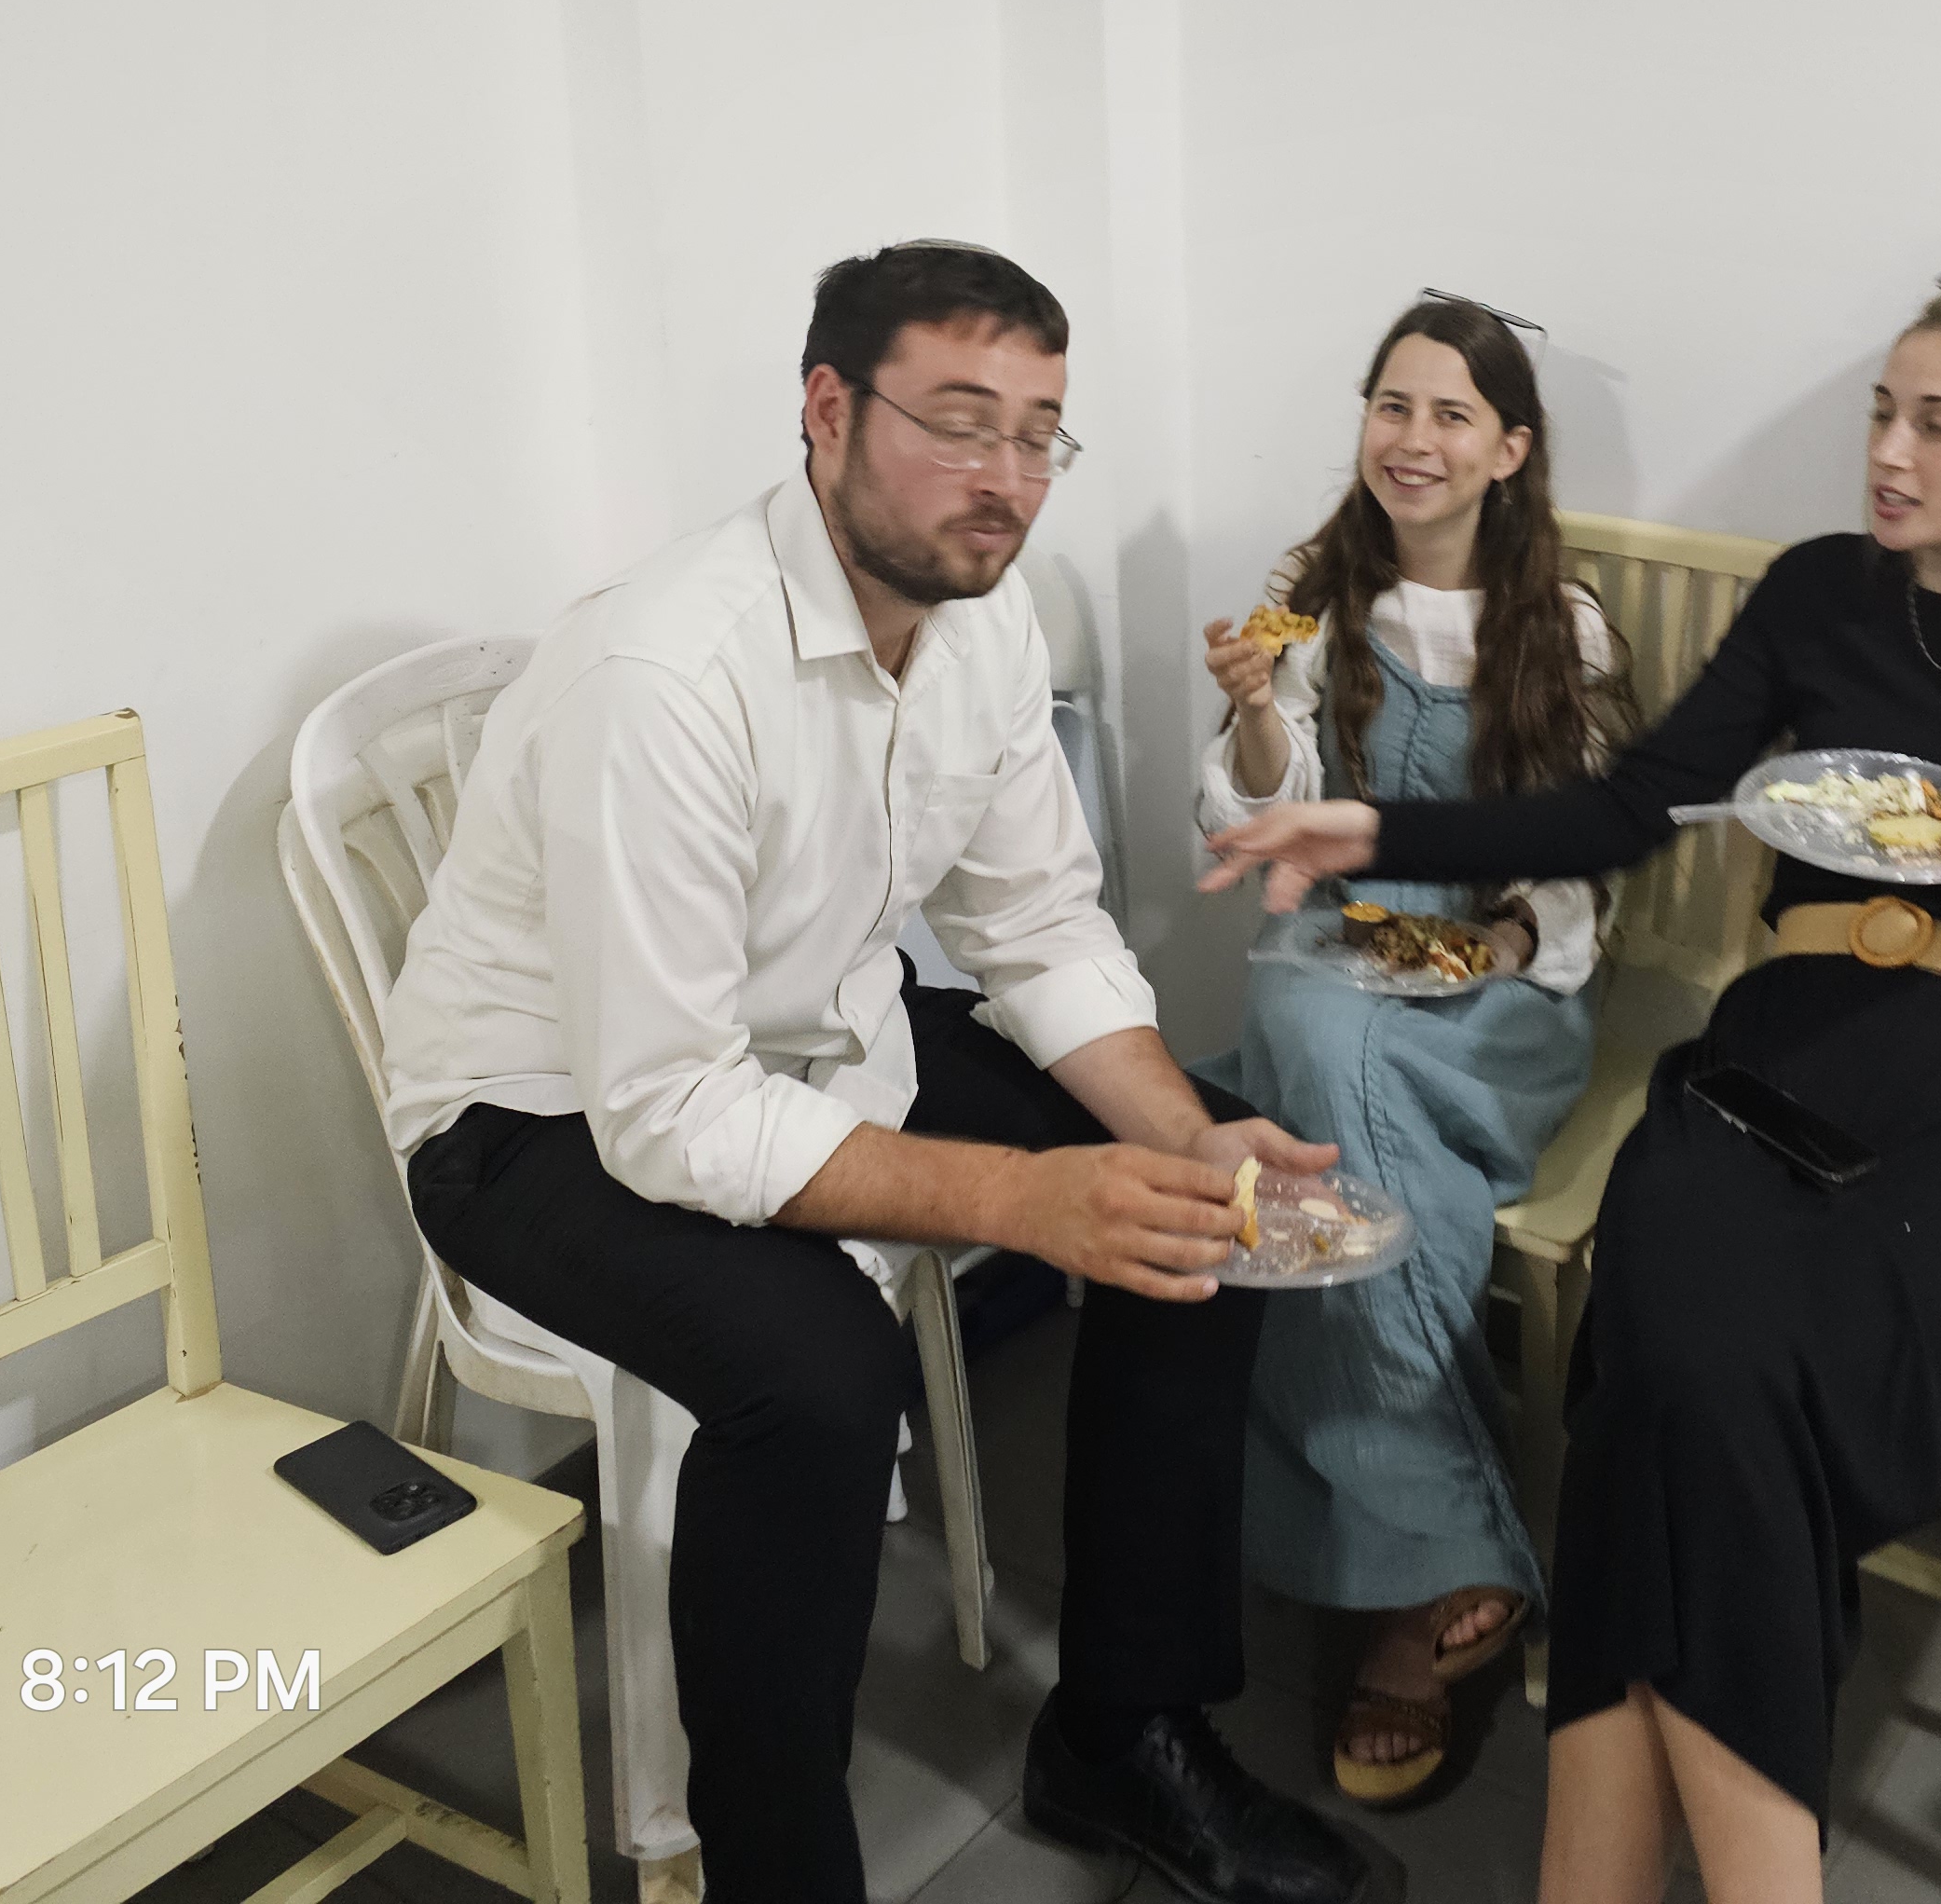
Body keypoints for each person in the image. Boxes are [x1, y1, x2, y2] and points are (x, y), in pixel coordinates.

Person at [1202, 216, 1941, 1903]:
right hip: (1773, 1058)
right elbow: (1625, 808)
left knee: (1678, 1416)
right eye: (1883, 414)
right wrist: (1373, 828)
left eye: (1936, 424)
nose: (1887, 453)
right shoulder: (1820, 593)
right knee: (1690, 1359)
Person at [382, 241, 1365, 1904]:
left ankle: (1122, 1730)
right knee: (824, 1381)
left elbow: (1034, 926)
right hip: (541, 1114)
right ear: (828, 413)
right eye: (960, 424)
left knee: (1203, 1212)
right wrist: (1028, 1197)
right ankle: (777, 1871)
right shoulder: (666, 673)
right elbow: (669, 1108)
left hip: (815, 1044)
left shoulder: (981, 619)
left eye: (1041, 436)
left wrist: (1182, 1144)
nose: (1008, 482)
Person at [1194, 295, 1633, 1807]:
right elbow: (1259, 814)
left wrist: (1486, 951)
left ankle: (1390, 1567)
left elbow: (1580, 873)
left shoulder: (1561, 629)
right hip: (1337, 956)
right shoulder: (1309, 598)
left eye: (1453, 415)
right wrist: (1254, 720)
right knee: (1314, 1037)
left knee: (1306, 1125)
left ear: (1510, 449)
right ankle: (1450, 1543)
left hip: (1503, 994)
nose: (1415, 439)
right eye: (1394, 406)